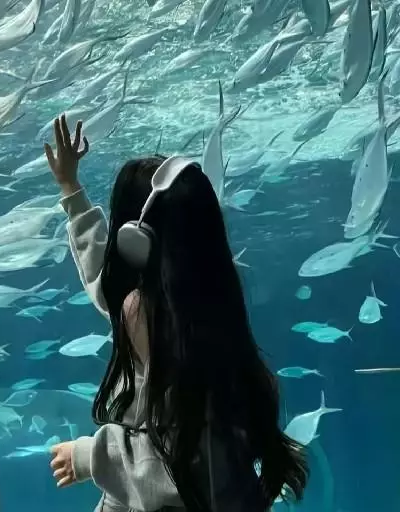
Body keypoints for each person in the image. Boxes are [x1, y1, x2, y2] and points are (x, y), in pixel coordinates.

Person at [45, 114, 309, 512]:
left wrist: (87, 457)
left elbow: (167, 467)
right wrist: (71, 189)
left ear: (135, 242)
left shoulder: (146, 317)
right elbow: (108, 279)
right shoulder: (209, 302)